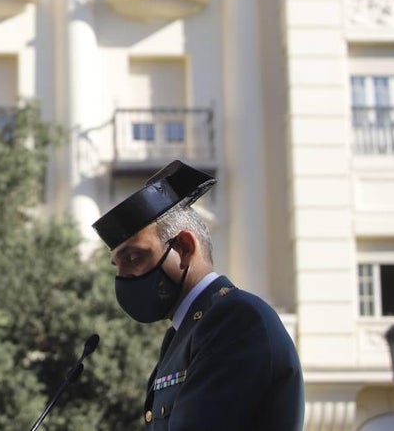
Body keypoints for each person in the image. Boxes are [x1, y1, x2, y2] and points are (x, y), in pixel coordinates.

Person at [92, 160, 304, 430]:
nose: (122, 278)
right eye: (118, 267)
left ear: (184, 247)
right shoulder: (183, 335)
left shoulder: (236, 320)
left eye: (134, 258)